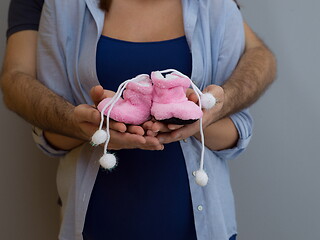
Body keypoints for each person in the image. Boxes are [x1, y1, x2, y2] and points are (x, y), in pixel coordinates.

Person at [0, 0, 276, 240]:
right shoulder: (62, 9)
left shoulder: (214, 8)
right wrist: (79, 123)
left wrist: (204, 115)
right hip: (96, 223)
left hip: (200, 226)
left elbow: (259, 60)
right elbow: (17, 81)